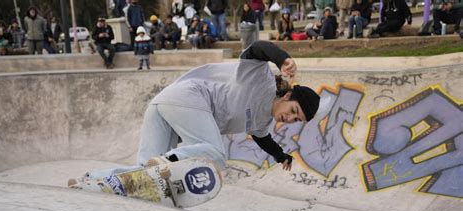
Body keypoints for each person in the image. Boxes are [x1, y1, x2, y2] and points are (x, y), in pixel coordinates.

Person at [83, 41, 320, 182]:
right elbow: (256, 49)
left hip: (165, 104)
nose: (288, 119)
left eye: (295, 120)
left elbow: (262, 138)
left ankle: (96, 179)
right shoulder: (261, 78)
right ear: (288, 95)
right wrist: (283, 59)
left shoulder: (262, 122)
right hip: (189, 97)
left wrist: (281, 156)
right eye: (293, 111)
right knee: (216, 154)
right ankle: (167, 162)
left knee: (146, 175)